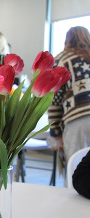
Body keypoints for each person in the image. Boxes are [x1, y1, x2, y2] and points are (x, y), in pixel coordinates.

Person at [48, 26, 90, 165]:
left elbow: (54, 98)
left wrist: (55, 132)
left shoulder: (61, 60)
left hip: (78, 119)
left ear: (68, 40)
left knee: (77, 169)